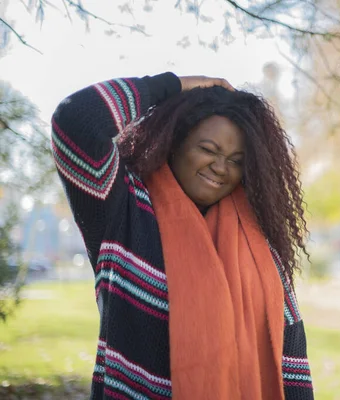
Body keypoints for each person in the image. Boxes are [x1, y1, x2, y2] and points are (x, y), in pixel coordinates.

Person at [51, 72, 313, 399]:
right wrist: (175, 85)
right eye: (208, 149)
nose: (221, 167)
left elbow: (290, 358)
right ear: (174, 143)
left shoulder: (256, 243)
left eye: (236, 161)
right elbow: (76, 121)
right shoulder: (122, 210)